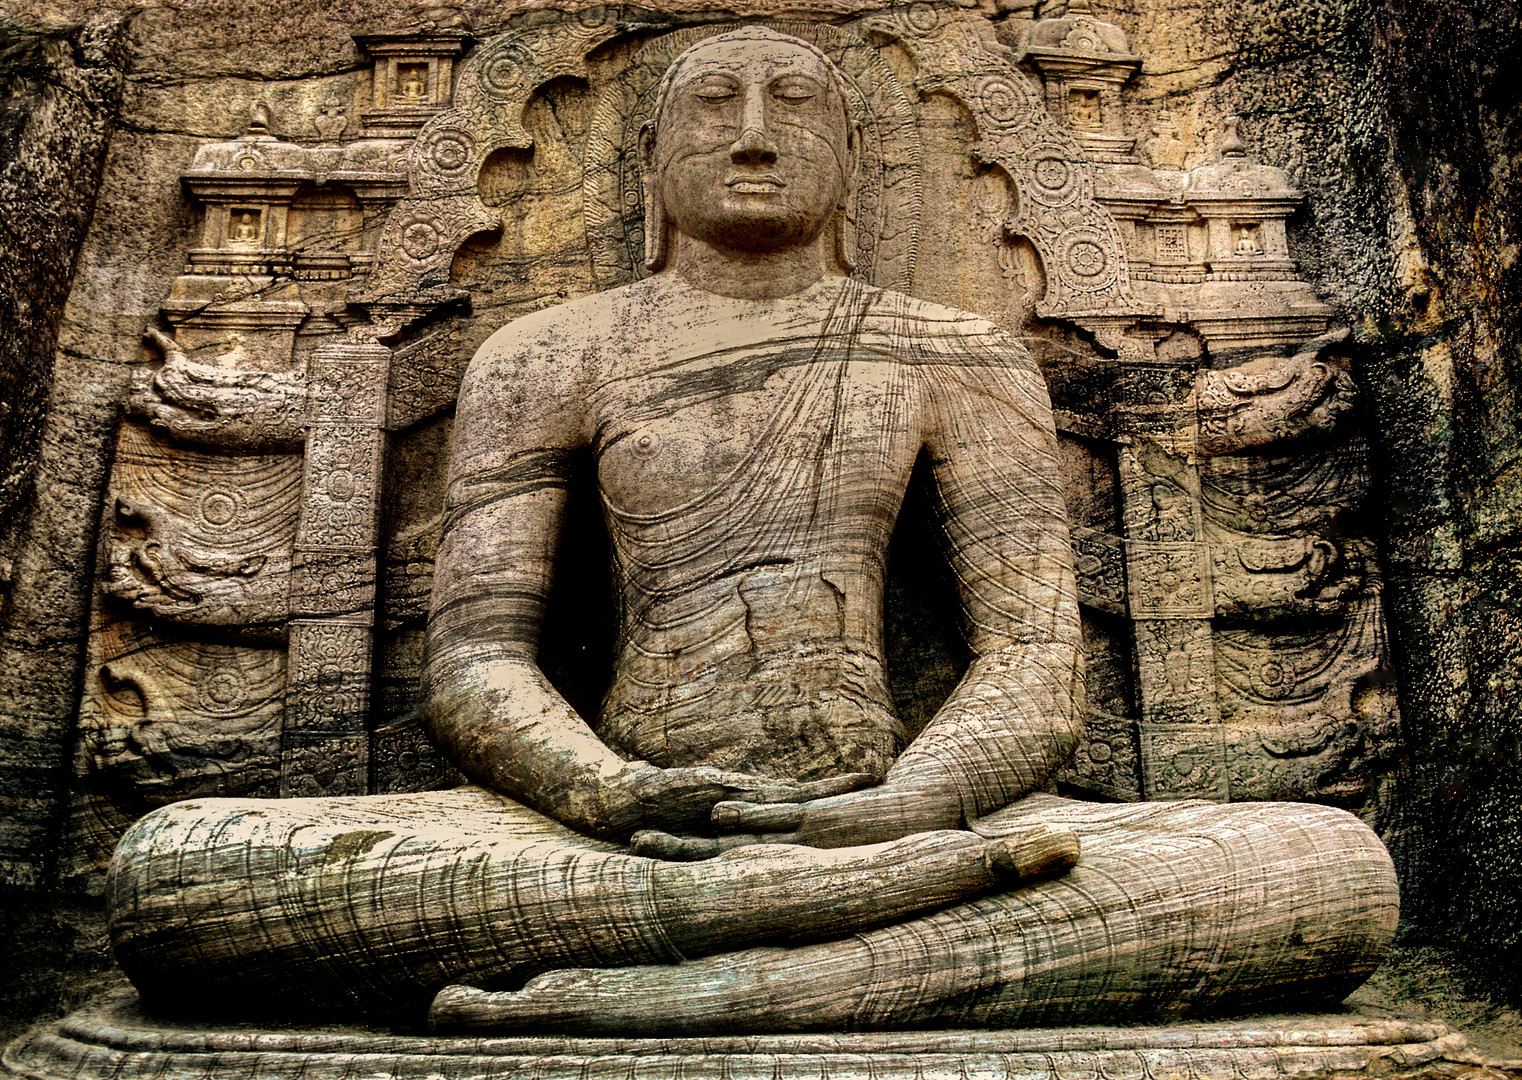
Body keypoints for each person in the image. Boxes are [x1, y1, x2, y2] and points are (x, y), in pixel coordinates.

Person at [106, 26, 1398, 1032]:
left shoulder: (951, 352)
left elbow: (1033, 667)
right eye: (712, 106)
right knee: (177, 875)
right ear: (654, 162)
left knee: (1320, 869)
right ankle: (861, 951)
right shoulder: (546, 354)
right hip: (619, 838)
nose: (754, 133)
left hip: (901, 819)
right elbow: (475, 665)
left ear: (851, 162)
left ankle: (709, 982)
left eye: (795, 107)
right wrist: (603, 791)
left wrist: (909, 807)